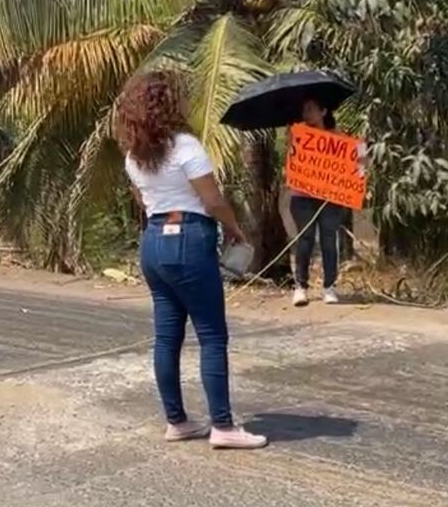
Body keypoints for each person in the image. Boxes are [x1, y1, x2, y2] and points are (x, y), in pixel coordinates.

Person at [117, 70, 267, 450]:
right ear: (169, 105)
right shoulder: (185, 147)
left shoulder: (134, 155)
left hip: (153, 241)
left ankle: (177, 421)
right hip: (188, 238)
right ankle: (223, 426)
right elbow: (212, 200)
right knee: (212, 335)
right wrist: (234, 229)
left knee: (167, 337)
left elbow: (143, 201)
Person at [288, 99, 348, 307]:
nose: (307, 114)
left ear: (323, 111)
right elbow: (291, 163)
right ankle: (300, 287)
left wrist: (361, 160)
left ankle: (329, 287)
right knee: (305, 240)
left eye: (311, 109)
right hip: (302, 198)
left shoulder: (337, 137)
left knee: (329, 241)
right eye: (304, 110)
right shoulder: (298, 135)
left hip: (329, 200)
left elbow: (356, 160)